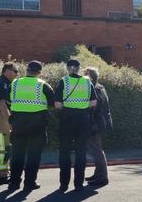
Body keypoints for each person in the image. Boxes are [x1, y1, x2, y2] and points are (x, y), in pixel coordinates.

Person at [8, 61, 54, 192]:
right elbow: (53, 103)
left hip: (18, 124)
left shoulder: (15, 83)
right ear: (39, 72)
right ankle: (29, 183)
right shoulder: (43, 85)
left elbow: (8, 99)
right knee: (34, 155)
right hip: (37, 126)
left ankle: (14, 183)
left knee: (17, 154)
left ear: (27, 70)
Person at [55, 59, 97, 193]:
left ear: (67, 68)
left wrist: (67, 109)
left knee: (64, 152)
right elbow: (93, 102)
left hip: (67, 120)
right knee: (81, 152)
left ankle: (63, 184)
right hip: (83, 120)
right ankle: (78, 185)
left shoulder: (63, 81)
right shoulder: (87, 81)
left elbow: (57, 104)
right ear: (79, 68)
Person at [0, 63, 18, 184]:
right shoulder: (1, 83)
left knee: (5, 145)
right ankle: (0, 176)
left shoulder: (6, 83)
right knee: (1, 146)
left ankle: (3, 172)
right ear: (7, 71)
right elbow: (2, 104)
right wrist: (9, 121)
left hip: (0, 115)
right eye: (15, 71)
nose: (16, 74)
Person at [84, 67, 113, 186]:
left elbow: (95, 108)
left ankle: (102, 177)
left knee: (97, 150)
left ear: (90, 76)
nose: (83, 76)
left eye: (85, 74)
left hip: (95, 123)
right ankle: (98, 174)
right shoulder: (100, 87)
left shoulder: (94, 89)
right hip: (100, 122)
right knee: (97, 149)